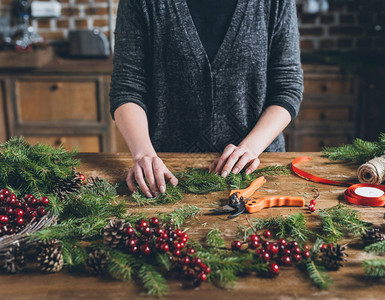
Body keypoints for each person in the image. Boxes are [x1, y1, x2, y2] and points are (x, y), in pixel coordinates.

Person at [110, 0, 303, 198]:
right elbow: (127, 87)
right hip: (166, 176)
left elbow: (287, 87)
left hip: (257, 173)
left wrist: (250, 148)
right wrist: (143, 154)